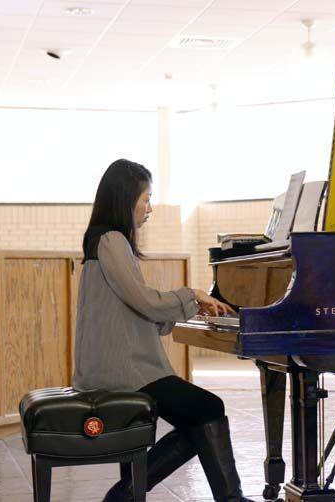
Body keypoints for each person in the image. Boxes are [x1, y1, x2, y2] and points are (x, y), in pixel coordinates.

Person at [72, 159, 254, 502]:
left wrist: (188, 308)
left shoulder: (106, 242)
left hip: (116, 366)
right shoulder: (112, 241)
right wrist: (191, 295)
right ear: (125, 199)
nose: (150, 208)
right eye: (146, 198)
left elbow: (138, 310)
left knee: (198, 419)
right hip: (121, 372)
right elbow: (146, 301)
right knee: (208, 409)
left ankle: (126, 494)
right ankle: (128, 494)